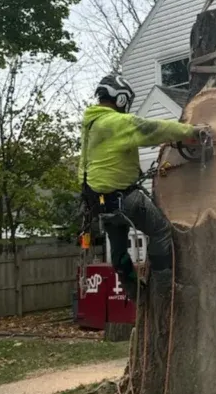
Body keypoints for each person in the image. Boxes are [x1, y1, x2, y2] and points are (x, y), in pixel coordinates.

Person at [79, 73, 208, 300]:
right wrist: (192, 132)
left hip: (99, 203)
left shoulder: (91, 124)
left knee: (118, 249)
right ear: (121, 99)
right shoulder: (117, 122)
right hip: (124, 198)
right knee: (159, 231)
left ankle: (136, 293)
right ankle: (165, 290)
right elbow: (154, 129)